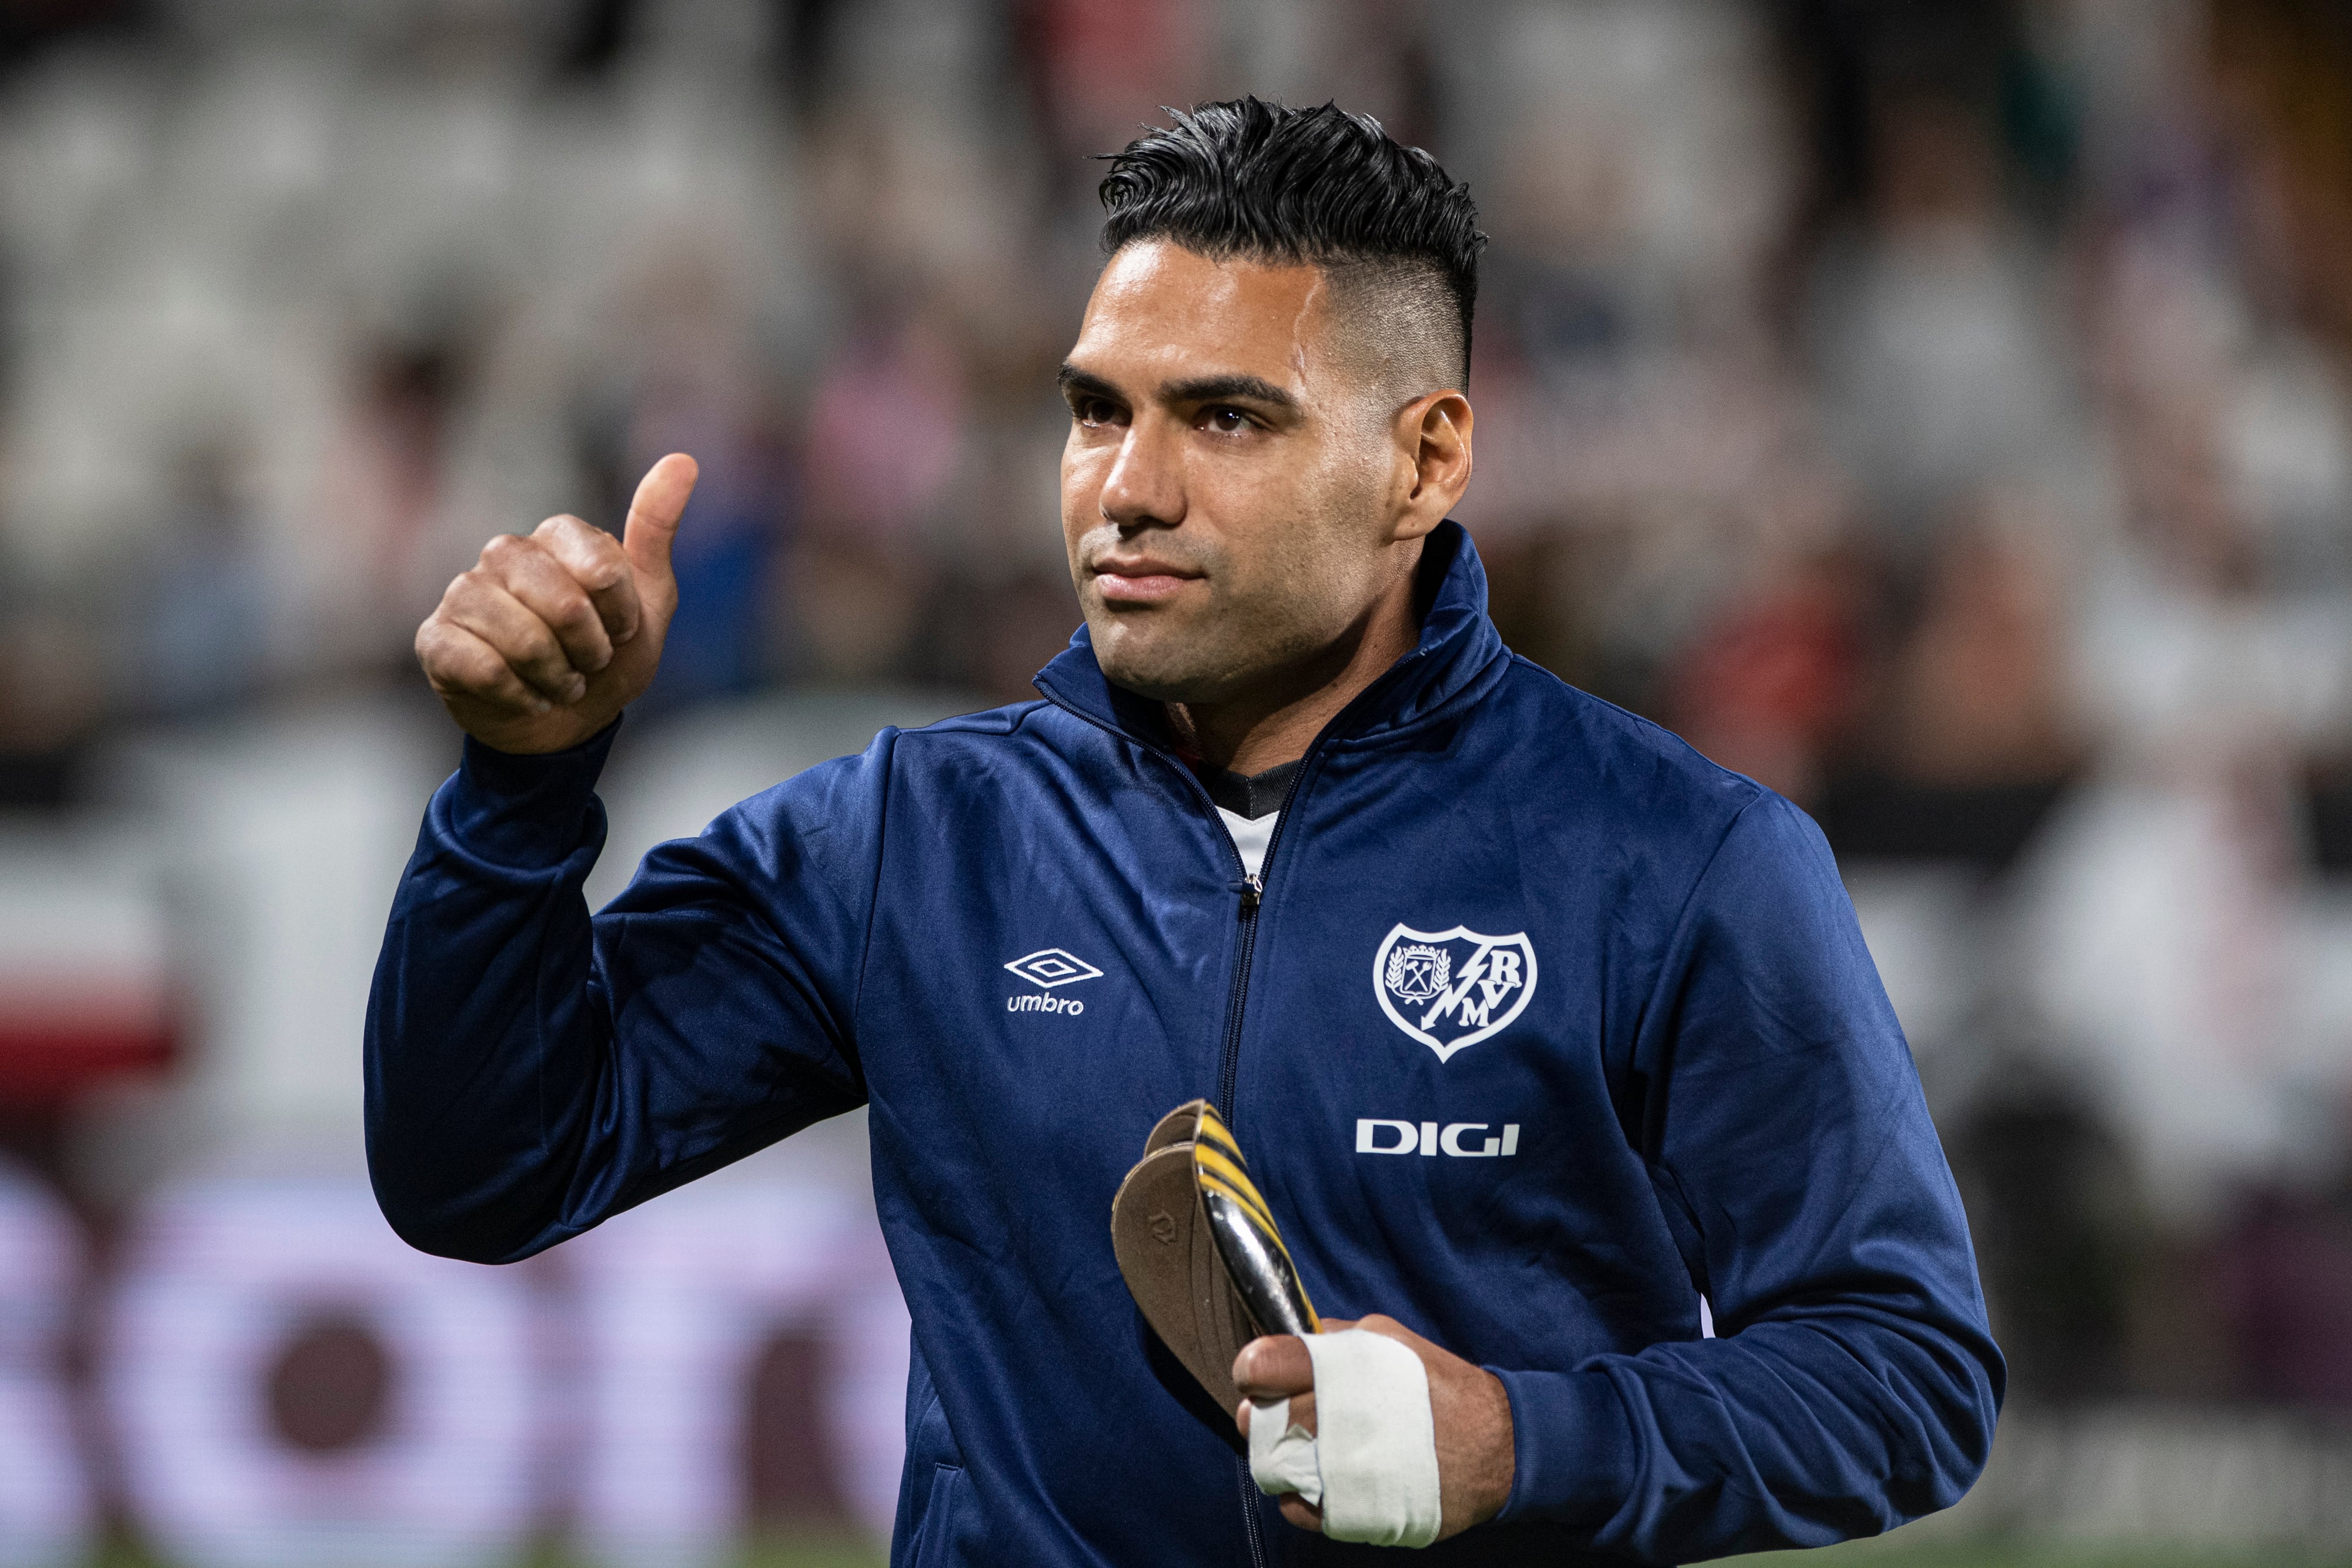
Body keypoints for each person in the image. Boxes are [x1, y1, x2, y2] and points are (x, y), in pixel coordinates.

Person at [369, 99, 2002, 1565]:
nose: (1125, 487)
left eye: (1225, 418)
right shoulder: (913, 840)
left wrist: (1520, 1443)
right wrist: (522, 786)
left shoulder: (1679, 857)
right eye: (1096, 411)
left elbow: (1907, 1373)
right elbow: (485, 1169)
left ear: (1425, 457)